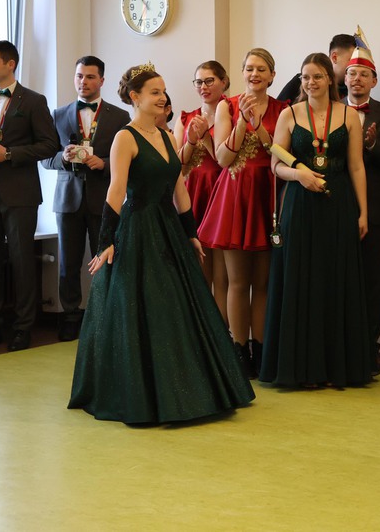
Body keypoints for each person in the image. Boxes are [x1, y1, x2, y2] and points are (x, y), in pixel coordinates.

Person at [69, 63, 254, 424]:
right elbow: (116, 191)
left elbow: (179, 189)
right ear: (135, 97)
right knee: (146, 306)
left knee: (180, 305)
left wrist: (191, 233)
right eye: (154, 92)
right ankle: (150, 394)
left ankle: (192, 389)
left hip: (168, 228)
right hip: (138, 229)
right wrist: (106, 241)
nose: (162, 97)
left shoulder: (167, 135)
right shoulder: (125, 138)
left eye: (163, 91)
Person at [260, 53, 373, 387]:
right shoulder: (289, 114)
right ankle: (299, 368)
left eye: (318, 76)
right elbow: (275, 164)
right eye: (305, 77)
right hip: (299, 203)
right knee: (299, 278)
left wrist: (363, 212)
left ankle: (336, 368)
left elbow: (356, 166)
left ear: (329, 79)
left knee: (335, 278)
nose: (311, 82)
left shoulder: (349, 115)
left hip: (338, 204)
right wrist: (300, 175)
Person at [0, 40, 60, 352]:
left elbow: (50, 145)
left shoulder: (34, 100)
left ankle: (23, 328)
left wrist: (9, 154)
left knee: (22, 261)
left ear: (10, 64)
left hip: (21, 193)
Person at [199, 48, 286, 378]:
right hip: (235, 194)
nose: (254, 74)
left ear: (272, 75)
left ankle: (260, 349)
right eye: (249, 68)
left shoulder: (283, 109)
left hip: (267, 192)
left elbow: (279, 152)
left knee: (262, 283)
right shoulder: (227, 105)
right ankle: (238, 351)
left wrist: (258, 126)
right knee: (237, 281)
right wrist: (240, 123)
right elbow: (222, 159)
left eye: (261, 69)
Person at [42, 55, 130, 342]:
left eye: (90, 77)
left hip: (104, 198)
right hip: (67, 199)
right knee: (68, 263)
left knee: (105, 259)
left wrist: (103, 163)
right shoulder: (58, 114)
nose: (84, 82)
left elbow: (128, 160)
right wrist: (63, 158)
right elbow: (45, 158)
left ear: (101, 80)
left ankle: (105, 317)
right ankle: (69, 316)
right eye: (79, 76)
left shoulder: (120, 117)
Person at [341, 27, 380, 372]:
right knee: (340, 277)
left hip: (377, 209)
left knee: (373, 281)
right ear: (344, 78)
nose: (357, 79)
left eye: (364, 74)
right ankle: (341, 346)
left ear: (374, 81)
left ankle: (369, 348)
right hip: (337, 206)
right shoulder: (330, 111)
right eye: (352, 73)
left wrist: (373, 145)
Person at [175, 61, 231, 323]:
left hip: (220, 193)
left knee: (223, 275)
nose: (203, 87)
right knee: (198, 272)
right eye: (198, 82)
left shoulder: (232, 113)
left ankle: (223, 332)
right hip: (193, 194)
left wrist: (205, 137)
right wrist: (191, 140)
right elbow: (178, 163)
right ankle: (200, 331)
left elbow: (224, 160)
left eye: (209, 81)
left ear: (223, 82)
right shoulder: (186, 117)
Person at [276, 34, 354, 103]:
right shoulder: (298, 82)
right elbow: (277, 109)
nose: (311, 82)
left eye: (317, 77)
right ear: (334, 57)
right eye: (352, 60)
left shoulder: (352, 88)